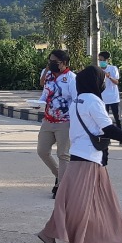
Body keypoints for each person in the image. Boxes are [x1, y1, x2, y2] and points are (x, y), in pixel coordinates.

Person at [37, 66, 122, 243]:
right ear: (95, 81)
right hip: (88, 157)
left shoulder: (77, 101)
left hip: (83, 155)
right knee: (77, 203)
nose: (104, 82)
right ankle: (49, 233)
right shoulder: (93, 101)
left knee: (105, 200)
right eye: (101, 79)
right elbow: (107, 128)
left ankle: (119, 233)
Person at [38, 49, 78, 196]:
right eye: (50, 60)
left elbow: (75, 100)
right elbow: (44, 94)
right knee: (42, 151)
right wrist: (38, 103)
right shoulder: (48, 75)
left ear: (64, 63)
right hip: (48, 119)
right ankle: (60, 176)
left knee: (63, 154)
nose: (51, 63)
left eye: (55, 61)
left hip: (65, 121)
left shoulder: (72, 78)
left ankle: (62, 187)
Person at [97, 51, 122, 132]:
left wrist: (109, 77)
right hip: (103, 98)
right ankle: (107, 137)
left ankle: (121, 137)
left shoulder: (113, 68)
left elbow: (116, 82)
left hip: (113, 98)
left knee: (117, 118)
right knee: (104, 119)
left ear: (107, 60)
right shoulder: (98, 70)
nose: (101, 62)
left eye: (102, 60)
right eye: (99, 60)